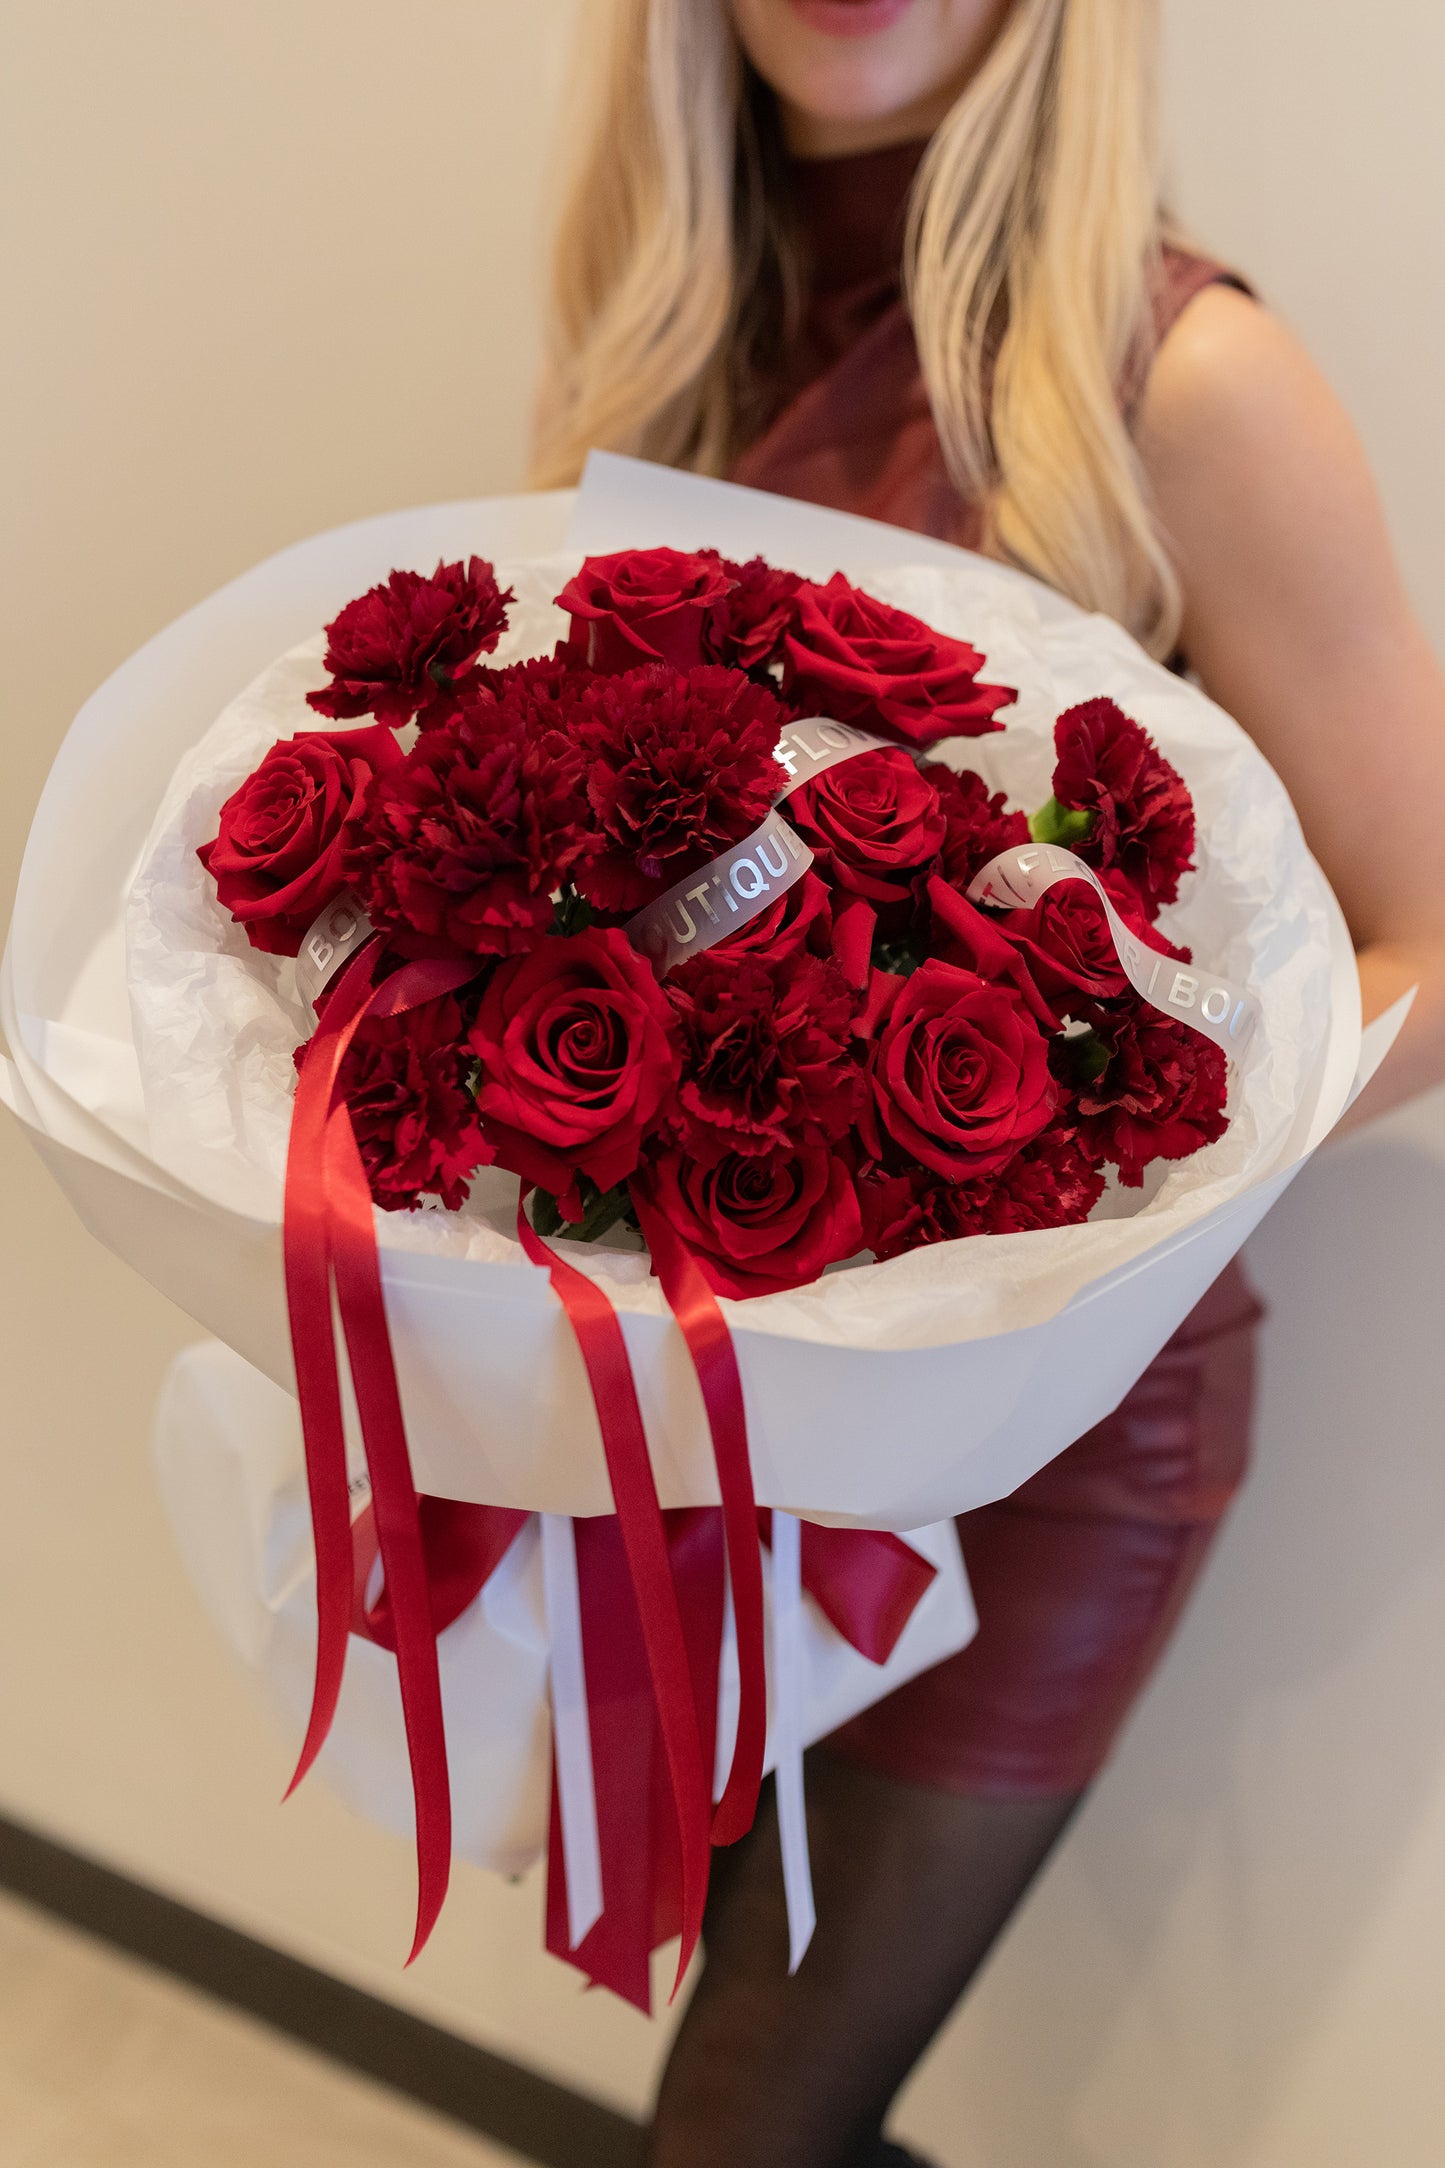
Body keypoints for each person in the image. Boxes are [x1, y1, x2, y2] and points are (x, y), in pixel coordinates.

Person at [531, 4, 1445, 2163]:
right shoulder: (669, 344)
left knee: (740, 2128)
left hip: (1057, 1443)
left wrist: (1062, 1151)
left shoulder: (1183, 375)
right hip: (740, 1401)